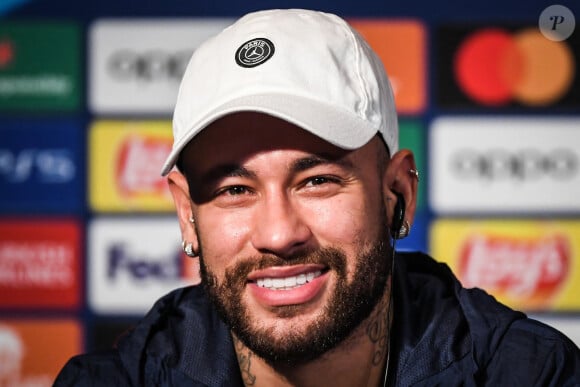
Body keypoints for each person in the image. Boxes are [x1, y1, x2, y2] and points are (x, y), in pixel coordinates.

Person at [55, 8, 579, 386]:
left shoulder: (532, 374)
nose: (279, 233)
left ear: (397, 192)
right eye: (235, 190)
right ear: (186, 216)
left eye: (317, 181)